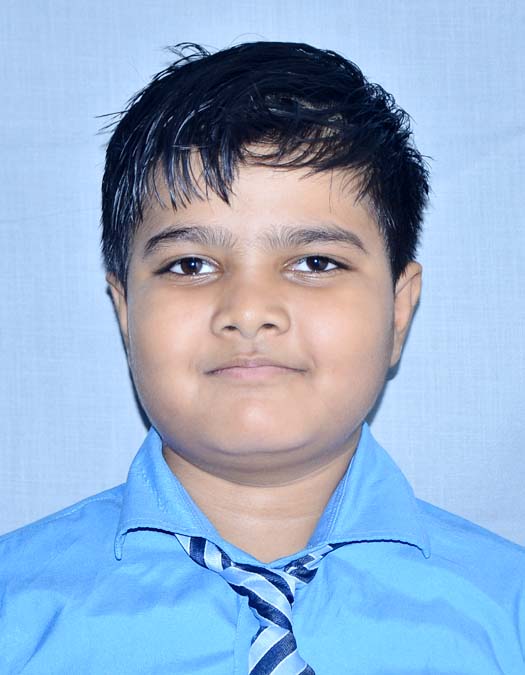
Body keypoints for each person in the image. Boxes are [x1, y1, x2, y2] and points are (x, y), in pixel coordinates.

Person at [0, 41, 523, 675]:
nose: (249, 311)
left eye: (315, 262)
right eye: (190, 264)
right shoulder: (15, 612)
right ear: (125, 311)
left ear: (398, 310)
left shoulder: (507, 614)